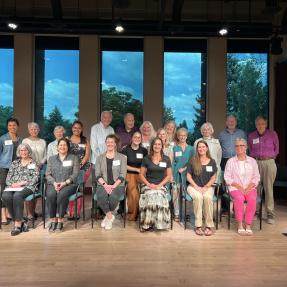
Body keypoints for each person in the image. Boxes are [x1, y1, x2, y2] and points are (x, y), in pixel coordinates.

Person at [224, 138, 260, 235]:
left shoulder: (252, 161)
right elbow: (227, 177)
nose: (239, 147)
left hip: (250, 187)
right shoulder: (230, 161)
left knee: (252, 198)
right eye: (237, 146)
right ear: (235, 148)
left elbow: (256, 177)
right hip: (235, 188)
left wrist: (248, 188)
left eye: (241, 145)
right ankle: (240, 224)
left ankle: (248, 224)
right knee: (239, 198)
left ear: (246, 147)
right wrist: (239, 187)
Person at [2, 143, 39, 236]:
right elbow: (8, 179)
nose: (23, 152)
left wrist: (23, 183)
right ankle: (21, 221)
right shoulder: (15, 163)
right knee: (5, 196)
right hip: (14, 187)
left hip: (28, 187)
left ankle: (17, 224)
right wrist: (14, 184)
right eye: (21, 150)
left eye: (25, 150)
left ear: (29, 151)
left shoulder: (33, 163)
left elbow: (35, 177)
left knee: (17, 196)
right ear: (19, 152)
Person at [248, 116, 279, 224]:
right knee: (255, 188)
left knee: (268, 188)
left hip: (269, 163)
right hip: (255, 163)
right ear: (255, 125)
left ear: (266, 124)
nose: (260, 126)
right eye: (258, 124)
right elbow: (250, 149)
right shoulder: (251, 136)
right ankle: (255, 212)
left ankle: (270, 214)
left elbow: (277, 149)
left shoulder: (272, 134)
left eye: (262, 124)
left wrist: (269, 158)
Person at [45, 138, 80, 232]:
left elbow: (75, 174)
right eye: (60, 145)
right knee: (50, 195)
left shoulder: (74, 157)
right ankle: (53, 220)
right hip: (54, 184)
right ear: (57, 147)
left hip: (69, 184)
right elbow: (47, 174)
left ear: (68, 147)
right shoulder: (51, 159)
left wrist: (65, 183)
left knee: (62, 194)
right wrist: (54, 183)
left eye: (65, 145)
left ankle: (60, 220)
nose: (62, 147)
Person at [139, 137, 172, 232]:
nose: (157, 146)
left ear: (162, 146)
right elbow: (141, 174)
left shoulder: (166, 159)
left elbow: (169, 175)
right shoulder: (146, 159)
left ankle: (160, 223)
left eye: (159, 144)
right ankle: (147, 224)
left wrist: (159, 185)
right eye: (155, 144)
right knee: (150, 195)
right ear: (152, 146)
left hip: (161, 186)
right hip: (148, 185)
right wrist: (148, 184)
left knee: (158, 195)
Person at [95, 134, 127, 230]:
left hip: (118, 185)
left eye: (112, 142)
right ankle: (110, 216)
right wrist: (105, 185)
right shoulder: (99, 158)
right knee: (101, 196)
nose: (110, 144)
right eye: (108, 142)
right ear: (105, 143)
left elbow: (122, 175)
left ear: (115, 144)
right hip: (102, 184)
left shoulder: (122, 157)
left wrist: (113, 186)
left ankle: (107, 217)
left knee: (113, 196)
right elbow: (97, 174)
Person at [186, 140, 217, 236]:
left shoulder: (212, 161)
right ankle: (198, 226)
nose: (201, 149)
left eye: (203, 147)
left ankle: (208, 225)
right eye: (199, 147)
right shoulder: (193, 160)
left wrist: (206, 187)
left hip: (207, 187)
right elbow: (188, 176)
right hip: (193, 187)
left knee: (207, 198)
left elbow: (213, 177)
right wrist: (196, 187)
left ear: (207, 148)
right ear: (197, 149)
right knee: (198, 197)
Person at [0, 117, 22, 225]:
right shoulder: (3, 138)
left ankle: (9, 213)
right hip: (5, 168)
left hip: (16, 170)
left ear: (17, 126)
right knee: (4, 192)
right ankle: (3, 215)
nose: (12, 127)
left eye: (14, 125)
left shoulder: (20, 139)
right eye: (10, 125)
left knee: (12, 191)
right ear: (7, 127)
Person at [68, 120, 91, 220]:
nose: (76, 129)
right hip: (70, 169)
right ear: (72, 128)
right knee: (70, 189)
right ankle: (70, 212)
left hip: (83, 168)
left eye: (79, 128)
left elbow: (87, 155)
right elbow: (65, 154)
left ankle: (77, 212)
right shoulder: (67, 139)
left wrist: (80, 164)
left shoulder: (85, 140)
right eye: (75, 127)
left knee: (79, 189)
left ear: (81, 129)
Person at [122, 131, 148, 221]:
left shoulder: (144, 151)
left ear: (141, 139)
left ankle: (144, 214)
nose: (137, 139)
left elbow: (147, 164)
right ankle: (133, 214)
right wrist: (136, 169)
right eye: (135, 137)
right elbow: (124, 165)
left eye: (139, 137)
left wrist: (142, 171)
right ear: (131, 138)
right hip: (130, 174)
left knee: (145, 193)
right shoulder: (125, 150)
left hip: (142, 175)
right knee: (134, 194)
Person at [172, 128, 194, 221]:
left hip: (187, 175)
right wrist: (172, 175)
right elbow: (172, 162)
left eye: (184, 135)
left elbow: (193, 162)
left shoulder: (191, 149)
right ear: (177, 136)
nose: (182, 137)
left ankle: (187, 213)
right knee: (175, 194)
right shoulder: (174, 148)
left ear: (187, 136)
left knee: (187, 195)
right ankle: (176, 213)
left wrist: (185, 168)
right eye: (180, 135)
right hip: (176, 174)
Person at [90, 111, 114, 183]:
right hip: (97, 161)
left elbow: (113, 145)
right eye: (105, 117)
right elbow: (94, 146)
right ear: (101, 118)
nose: (107, 119)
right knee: (96, 183)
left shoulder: (111, 129)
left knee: (108, 182)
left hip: (109, 161)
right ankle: (95, 194)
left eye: (109, 117)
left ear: (111, 119)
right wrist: (103, 158)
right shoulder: (95, 128)